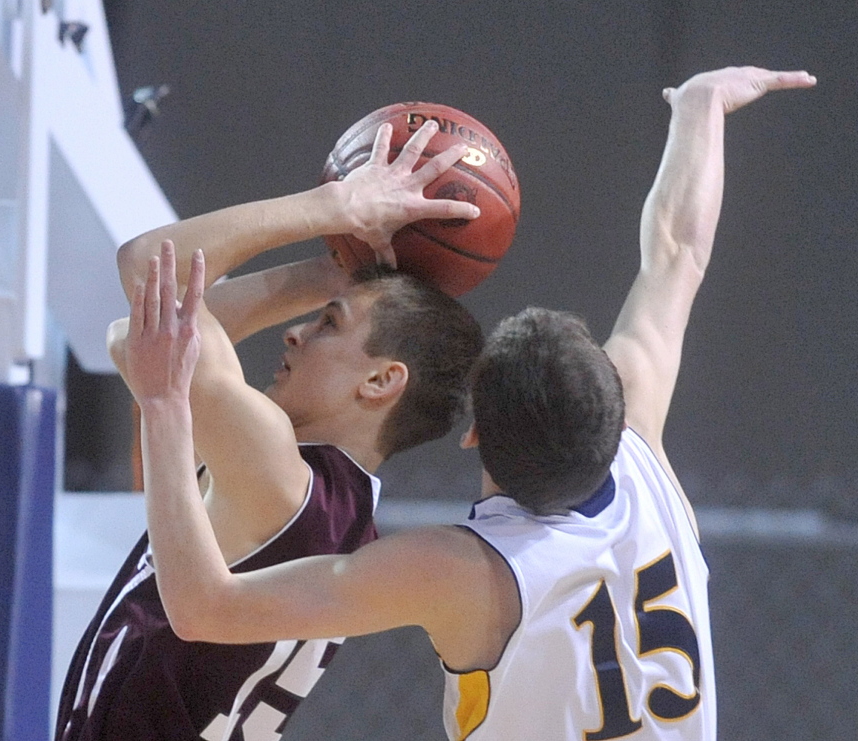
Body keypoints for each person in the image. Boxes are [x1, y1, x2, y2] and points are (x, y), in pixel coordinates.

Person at [124, 66, 816, 740]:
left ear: (472, 433)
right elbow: (678, 252)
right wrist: (700, 111)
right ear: (612, 410)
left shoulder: (466, 571)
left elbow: (202, 607)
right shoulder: (639, 467)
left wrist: (163, 405)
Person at [55, 121, 486, 741]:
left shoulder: (275, 465)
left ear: (381, 381)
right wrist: (339, 271)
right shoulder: (339, 511)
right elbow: (140, 340)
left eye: (329, 324)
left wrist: (332, 209)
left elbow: (148, 270)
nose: (295, 332)